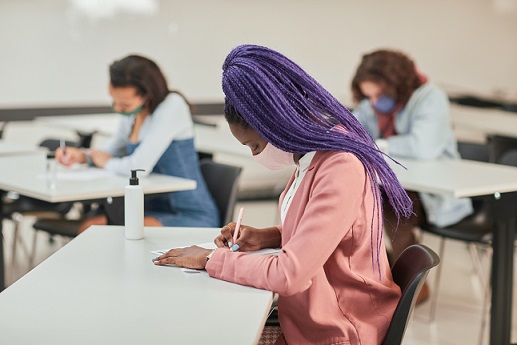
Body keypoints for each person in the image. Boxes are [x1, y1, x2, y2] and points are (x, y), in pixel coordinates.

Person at [153, 44, 414, 344]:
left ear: (277, 126)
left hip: (339, 328)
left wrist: (211, 259)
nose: (255, 156)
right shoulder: (312, 157)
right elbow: (323, 230)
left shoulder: (340, 166)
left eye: (254, 146)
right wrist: (266, 236)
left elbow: (290, 274)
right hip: (312, 313)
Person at [351, 49, 473, 302]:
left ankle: (408, 284)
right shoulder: (372, 104)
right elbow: (352, 131)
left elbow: (423, 146)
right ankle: (387, 276)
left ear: (396, 84)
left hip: (434, 193)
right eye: (368, 96)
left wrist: (379, 145)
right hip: (397, 184)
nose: (373, 103)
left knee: (391, 202)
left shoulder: (430, 97)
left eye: (378, 95)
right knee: (354, 201)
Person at [55, 54, 219, 232]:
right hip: (147, 208)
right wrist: (82, 156)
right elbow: (110, 151)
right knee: (92, 225)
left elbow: (139, 168)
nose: (118, 109)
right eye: (114, 101)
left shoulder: (172, 105)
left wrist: (106, 162)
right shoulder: (134, 114)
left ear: (147, 95)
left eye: (124, 105)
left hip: (189, 215)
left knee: (95, 229)